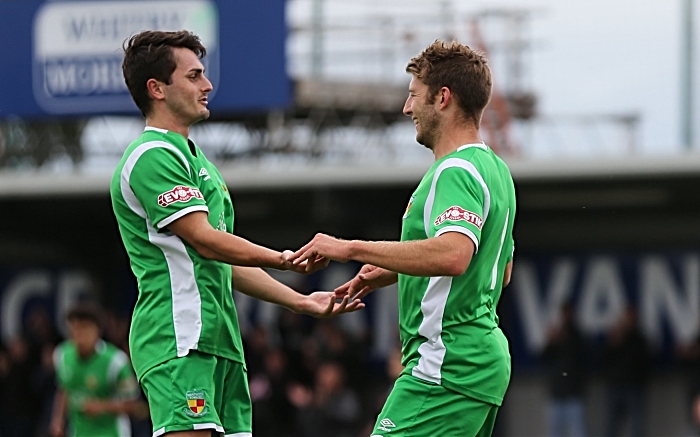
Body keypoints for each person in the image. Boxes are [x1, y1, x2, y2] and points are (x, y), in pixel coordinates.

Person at [110, 30, 363, 437]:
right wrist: (282, 258)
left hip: (221, 342)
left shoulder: (198, 162)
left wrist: (300, 301)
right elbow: (206, 239)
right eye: (193, 76)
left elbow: (221, 259)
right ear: (156, 88)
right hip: (178, 337)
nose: (207, 85)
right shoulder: (150, 157)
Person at [290, 39, 516, 436]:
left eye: (414, 96)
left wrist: (350, 247)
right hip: (479, 361)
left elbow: (454, 256)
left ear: (442, 98)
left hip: (448, 362)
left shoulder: (454, 171)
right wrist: (388, 270)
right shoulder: (495, 169)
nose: (406, 108)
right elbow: (500, 268)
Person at [49, 303, 141, 437]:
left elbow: (133, 405)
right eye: (75, 329)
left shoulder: (115, 361)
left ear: (97, 331)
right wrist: (57, 420)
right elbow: (64, 389)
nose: (80, 336)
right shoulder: (62, 355)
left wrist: (101, 407)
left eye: (85, 329)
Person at [600, 305, 650, 437]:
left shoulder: (640, 338)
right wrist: (614, 343)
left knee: (636, 427)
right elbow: (603, 360)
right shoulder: (615, 338)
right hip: (615, 386)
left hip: (633, 387)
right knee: (610, 427)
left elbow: (643, 362)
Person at [541, 301, 588, 437]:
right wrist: (551, 340)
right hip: (557, 392)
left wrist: (565, 339)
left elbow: (583, 358)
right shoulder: (557, 334)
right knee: (555, 432)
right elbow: (543, 356)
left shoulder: (578, 335)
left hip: (573, 393)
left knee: (578, 431)